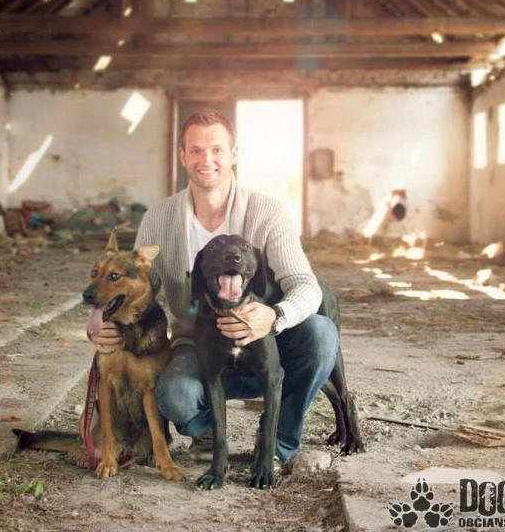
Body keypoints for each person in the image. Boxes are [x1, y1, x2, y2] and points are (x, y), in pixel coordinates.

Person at [91, 110, 339, 467]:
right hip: (199, 343)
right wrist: (107, 324)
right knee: (175, 396)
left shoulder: (268, 212)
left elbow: (305, 285)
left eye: (217, 150)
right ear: (183, 156)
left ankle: (277, 441)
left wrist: (274, 316)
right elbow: (137, 288)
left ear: (233, 154)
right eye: (196, 150)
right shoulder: (158, 218)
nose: (206, 160)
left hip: (268, 345)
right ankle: (206, 430)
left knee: (321, 333)